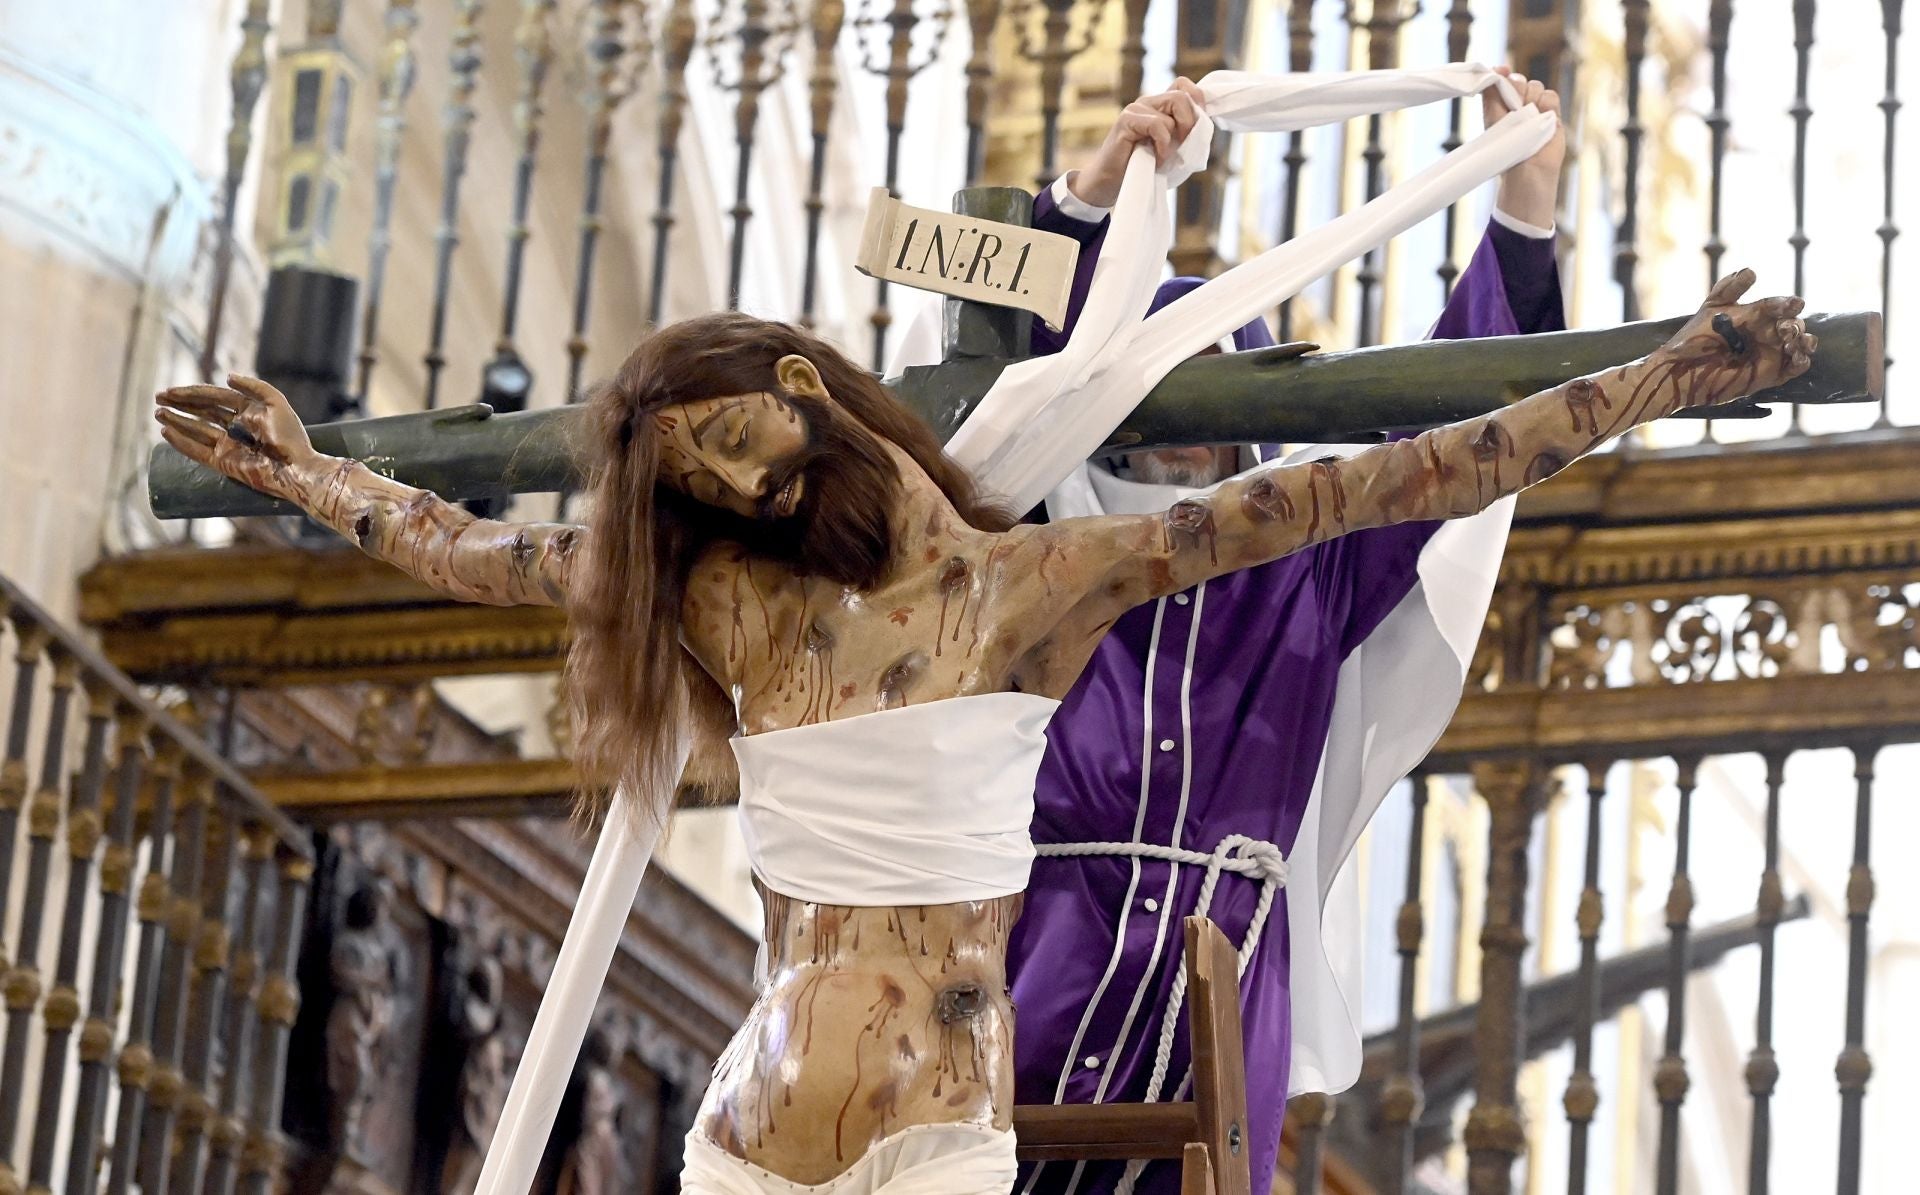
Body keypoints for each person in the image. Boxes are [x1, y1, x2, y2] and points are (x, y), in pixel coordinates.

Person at [156, 263, 1808, 1194]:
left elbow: (1391, 480)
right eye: (668, 467)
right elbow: (471, 553)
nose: (697, 474)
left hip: (925, 1101)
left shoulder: (1044, 581)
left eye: (700, 432)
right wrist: (301, 470)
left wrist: (1663, 379)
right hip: (801, 1090)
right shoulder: (741, 605)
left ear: (801, 380)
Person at [994, 72, 1566, 1195]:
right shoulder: (1026, 534)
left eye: (1223, 392)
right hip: (1025, 960)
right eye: (1167, 387)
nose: (1193, 431)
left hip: (1216, 992)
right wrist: (1091, 199)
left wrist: (1524, 213)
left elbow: (1454, 439)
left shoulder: (1308, 561)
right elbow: (1003, 383)